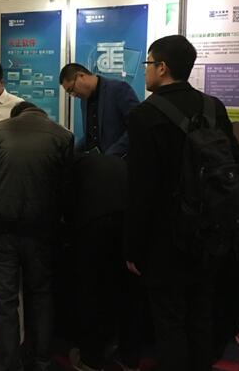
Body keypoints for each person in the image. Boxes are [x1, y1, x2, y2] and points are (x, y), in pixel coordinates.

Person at [125, 35, 239, 370]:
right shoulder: (213, 106)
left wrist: (133, 247)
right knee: (201, 312)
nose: (145, 70)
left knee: (169, 320)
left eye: (148, 63)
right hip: (211, 231)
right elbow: (236, 164)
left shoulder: (145, 114)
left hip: (165, 238)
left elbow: (141, 189)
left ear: (162, 68)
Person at [0, 101, 73, 371]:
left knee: (3, 299)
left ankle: (8, 363)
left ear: (15, 115)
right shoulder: (63, 136)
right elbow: (66, 189)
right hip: (41, 228)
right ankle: (42, 360)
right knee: (41, 294)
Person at [68, 152, 142, 371]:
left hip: (95, 223)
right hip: (129, 221)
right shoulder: (115, 162)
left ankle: (91, 359)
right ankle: (130, 359)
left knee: (93, 292)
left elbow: (68, 204)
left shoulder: (74, 165)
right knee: (129, 293)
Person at [59, 64, 139, 156]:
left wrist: (112, 154)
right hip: (97, 161)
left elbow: (136, 127)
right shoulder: (84, 100)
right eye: (70, 93)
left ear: (81, 76)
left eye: (72, 89)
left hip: (120, 160)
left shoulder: (119, 89)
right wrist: (71, 154)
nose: (74, 95)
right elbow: (90, 136)